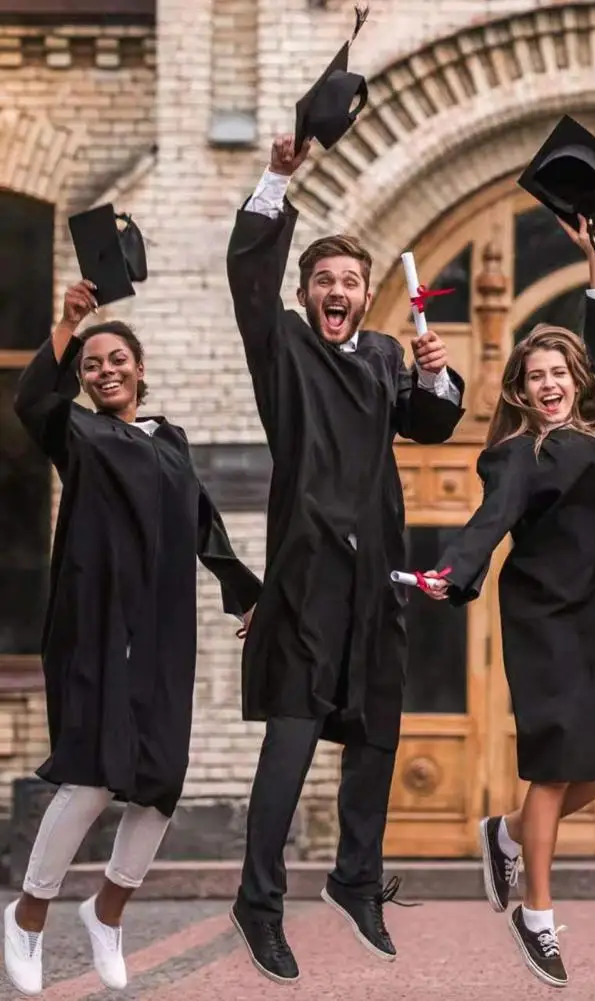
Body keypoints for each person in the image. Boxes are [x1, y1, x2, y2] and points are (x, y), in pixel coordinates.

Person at [226, 134, 466, 983]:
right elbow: (248, 275)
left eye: (349, 282)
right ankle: (259, 902)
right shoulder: (283, 347)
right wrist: (277, 177)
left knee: (377, 734)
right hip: (305, 574)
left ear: (367, 298)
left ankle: (354, 879)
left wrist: (439, 378)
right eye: (323, 280)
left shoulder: (381, 355)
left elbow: (432, 424)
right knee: (291, 740)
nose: (336, 291)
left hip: (376, 575)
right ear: (304, 293)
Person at [417, 214, 595, 989]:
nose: (547, 385)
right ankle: (537, 916)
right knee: (556, 766)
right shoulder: (517, 454)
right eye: (534, 378)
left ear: (574, 379)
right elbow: (487, 522)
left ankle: (510, 834)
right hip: (549, 623)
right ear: (519, 391)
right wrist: (449, 571)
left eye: (557, 372)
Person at [5, 280, 261, 997]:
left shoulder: (169, 439)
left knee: (160, 779)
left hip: (162, 627)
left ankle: (106, 911)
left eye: (117, 359)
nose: (105, 369)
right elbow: (32, 402)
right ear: (81, 380)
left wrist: (246, 594)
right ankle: (26, 915)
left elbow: (205, 522)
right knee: (92, 771)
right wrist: (69, 322)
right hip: (95, 622)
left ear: (141, 369)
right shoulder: (77, 433)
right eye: (91, 364)